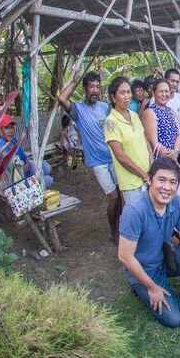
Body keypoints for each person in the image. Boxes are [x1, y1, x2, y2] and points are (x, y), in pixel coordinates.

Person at [117, 158, 180, 328]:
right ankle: (139, 285)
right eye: (161, 180)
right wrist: (152, 288)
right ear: (149, 180)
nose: (167, 187)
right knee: (174, 320)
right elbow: (125, 257)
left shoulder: (178, 202)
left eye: (172, 182)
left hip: (165, 259)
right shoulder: (134, 210)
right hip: (144, 268)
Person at [58, 71, 121, 242]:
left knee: (121, 194)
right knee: (113, 197)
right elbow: (62, 99)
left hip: (113, 158)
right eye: (91, 87)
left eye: (97, 87)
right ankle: (113, 232)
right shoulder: (78, 109)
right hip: (98, 162)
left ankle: (122, 228)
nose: (95, 90)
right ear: (85, 88)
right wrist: (73, 81)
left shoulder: (105, 107)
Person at [105, 76, 151, 204]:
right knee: (136, 218)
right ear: (113, 97)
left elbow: (145, 142)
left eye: (128, 92)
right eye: (122, 93)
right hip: (131, 182)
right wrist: (142, 174)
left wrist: (151, 167)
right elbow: (120, 155)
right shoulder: (111, 122)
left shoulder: (134, 115)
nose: (127, 96)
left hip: (147, 176)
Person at [0, 115, 54, 191]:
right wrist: (23, 169)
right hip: (21, 178)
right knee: (49, 179)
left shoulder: (13, 140)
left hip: (28, 166)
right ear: (0, 131)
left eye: (11, 127)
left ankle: (40, 175)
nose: (10, 131)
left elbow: (24, 157)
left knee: (48, 168)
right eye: (6, 128)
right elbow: (12, 169)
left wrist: (27, 162)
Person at [142, 79, 180, 161]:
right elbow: (153, 143)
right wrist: (169, 156)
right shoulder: (150, 112)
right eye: (161, 91)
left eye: (167, 91)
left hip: (173, 159)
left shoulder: (171, 111)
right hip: (159, 161)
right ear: (154, 93)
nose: (164, 94)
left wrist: (175, 151)